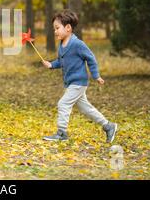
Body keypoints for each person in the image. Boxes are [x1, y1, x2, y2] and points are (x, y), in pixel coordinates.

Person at [41, 9, 117, 143]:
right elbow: (61, 61)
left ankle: (62, 133)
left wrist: (96, 75)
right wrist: (51, 65)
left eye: (57, 28)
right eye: (54, 28)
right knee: (86, 108)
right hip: (70, 83)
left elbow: (91, 59)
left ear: (68, 28)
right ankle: (108, 126)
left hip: (78, 82)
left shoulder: (77, 44)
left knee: (63, 103)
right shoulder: (62, 45)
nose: (55, 31)